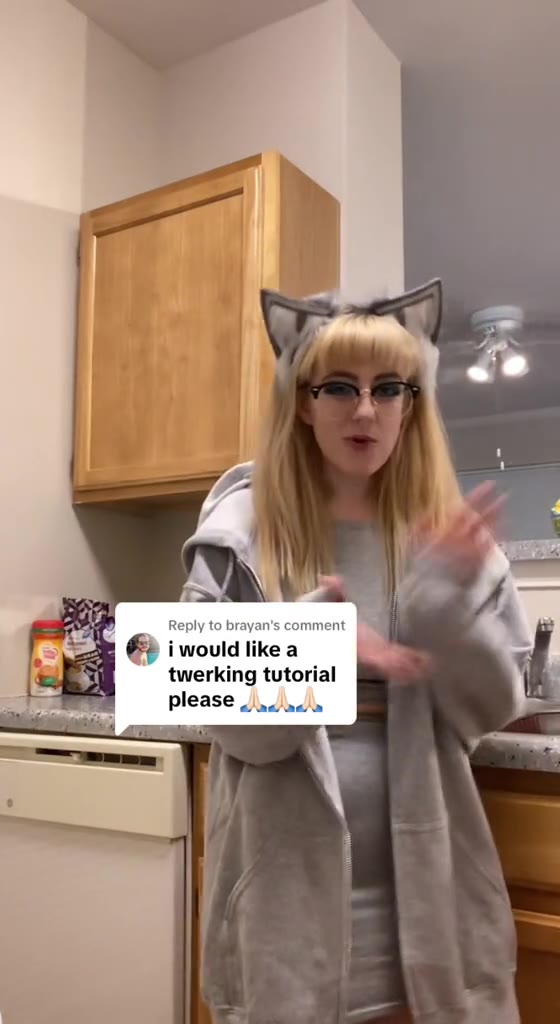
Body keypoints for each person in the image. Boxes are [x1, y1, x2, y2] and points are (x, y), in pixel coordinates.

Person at [180, 279, 532, 1024]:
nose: (366, 410)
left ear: (411, 404)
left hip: (432, 925)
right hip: (282, 920)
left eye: (387, 388)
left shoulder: (448, 537)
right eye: (339, 386)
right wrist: (323, 649)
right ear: (303, 402)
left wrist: (445, 614)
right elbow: (193, 693)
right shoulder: (241, 530)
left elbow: (492, 707)